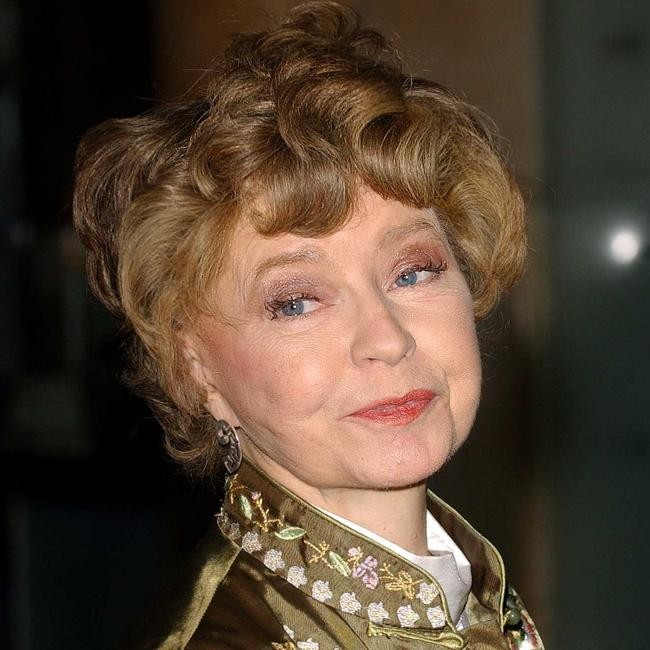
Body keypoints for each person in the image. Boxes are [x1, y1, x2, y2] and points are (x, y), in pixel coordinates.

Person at [73, 2, 543, 648]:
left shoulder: (473, 590)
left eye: (413, 272)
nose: (388, 339)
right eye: (296, 302)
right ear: (195, 367)